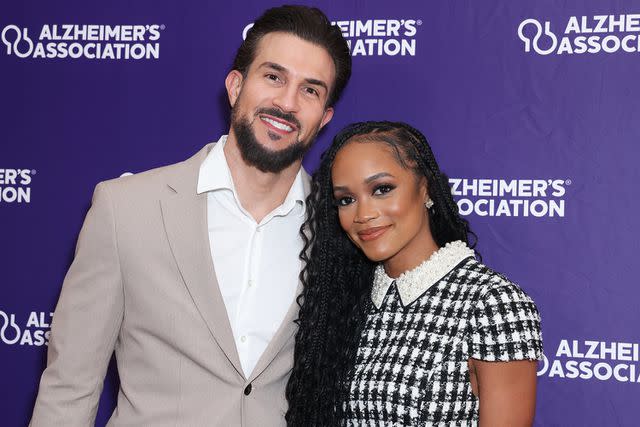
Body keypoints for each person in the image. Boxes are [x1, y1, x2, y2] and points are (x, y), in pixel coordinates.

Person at [30, 6, 351, 426]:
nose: (287, 102)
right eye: (273, 77)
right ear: (236, 86)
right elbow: (69, 388)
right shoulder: (124, 208)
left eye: (310, 90)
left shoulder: (339, 228)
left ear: (324, 116)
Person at [286, 121, 543, 426]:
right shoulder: (346, 302)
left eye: (382, 189)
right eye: (346, 199)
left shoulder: (493, 304)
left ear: (426, 189)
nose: (363, 214)